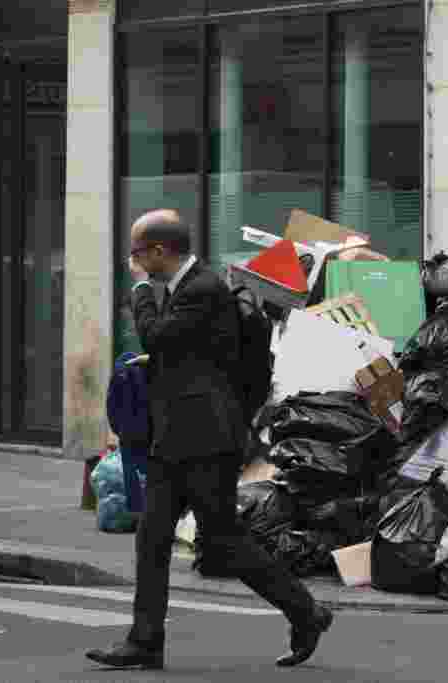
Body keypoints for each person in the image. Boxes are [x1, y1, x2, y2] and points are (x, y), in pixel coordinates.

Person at [86, 209, 332, 670]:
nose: (133, 262)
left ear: (159, 252)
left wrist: (140, 290)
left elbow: (160, 335)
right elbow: (191, 354)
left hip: (204, 438)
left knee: (223, 541)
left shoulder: (200, 289)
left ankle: (306, 611)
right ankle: (144, 642)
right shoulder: (192, 288)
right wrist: (153, 363)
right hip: (178, 434)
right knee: (152, 537)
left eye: (137, 255)